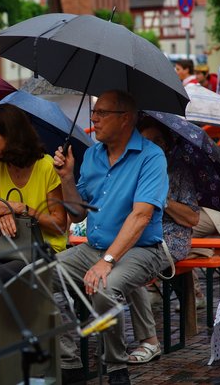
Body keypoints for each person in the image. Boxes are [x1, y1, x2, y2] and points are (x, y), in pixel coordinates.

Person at [53, 90, 168, 385]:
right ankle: (69, 364)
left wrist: (107, 260)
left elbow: (141, 216)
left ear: (125, 119)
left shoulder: (151, 157)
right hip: (94, 247)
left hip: (141, 249)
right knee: (35, 278)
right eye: (94, 112)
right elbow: (77, 214)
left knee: (105, 287)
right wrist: (66, 178)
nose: (94, 119)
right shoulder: (93, 154)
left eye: (102, 113)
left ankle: (116, 368)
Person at [0, 104, 67, 373]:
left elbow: (59, 224)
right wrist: (0, 210)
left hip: (44, 250)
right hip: (10, 247)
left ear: (11, 135)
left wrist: (23, 209)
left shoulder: (46, 167)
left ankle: (0, 354)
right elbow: (3, 207)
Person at [126, 116, 199, 364]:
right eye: (146, 141)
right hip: (137, 234)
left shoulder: (178, 171)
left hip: (171, 238)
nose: (152, 146)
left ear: (166, 145)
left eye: (157, 141)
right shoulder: (131, 170)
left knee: (129, 269)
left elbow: (192, 218)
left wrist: (163, 199)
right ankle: (105, 338)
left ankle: (148, 340)